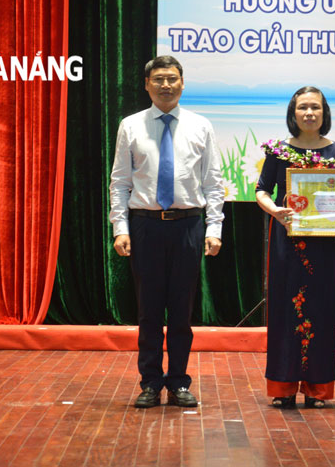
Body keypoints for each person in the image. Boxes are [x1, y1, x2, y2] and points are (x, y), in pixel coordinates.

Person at [109, 55, 225, 408]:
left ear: (182, 83)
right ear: (146, 84)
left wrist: (214, 227)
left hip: (188, 226)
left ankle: (178, 382)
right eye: (158, 79)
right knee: (147, 312)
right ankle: (149, 382)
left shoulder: (200, 126)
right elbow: (119, 183)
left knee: (180, 310)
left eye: (172, 78)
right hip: (144, 227)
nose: (165, 85)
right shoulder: (130, 125)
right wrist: (120, 227)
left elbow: (214, 182)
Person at [256, 86, 335, 409]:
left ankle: (318, 389)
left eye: (315, 107)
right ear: (293, 113)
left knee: (322, 310)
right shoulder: (279, 151)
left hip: (324, 247)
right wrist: (275, 212)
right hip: (286, 240)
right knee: (285, 310)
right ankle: (282, 387)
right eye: (303, 108)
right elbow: (261, 191)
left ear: (324, 113)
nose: (309, 113)